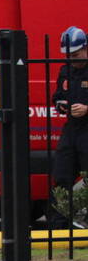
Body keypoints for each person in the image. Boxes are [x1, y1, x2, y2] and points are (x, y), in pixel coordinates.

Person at [50, 25, 88, 227]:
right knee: (62, 176)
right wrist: (61, 105)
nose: (73, 59)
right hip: (72, 129)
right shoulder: (66, 70)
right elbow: (57, 97)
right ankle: (59, 228)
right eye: (69, 55)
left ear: (85, 48)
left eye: (76, 54)